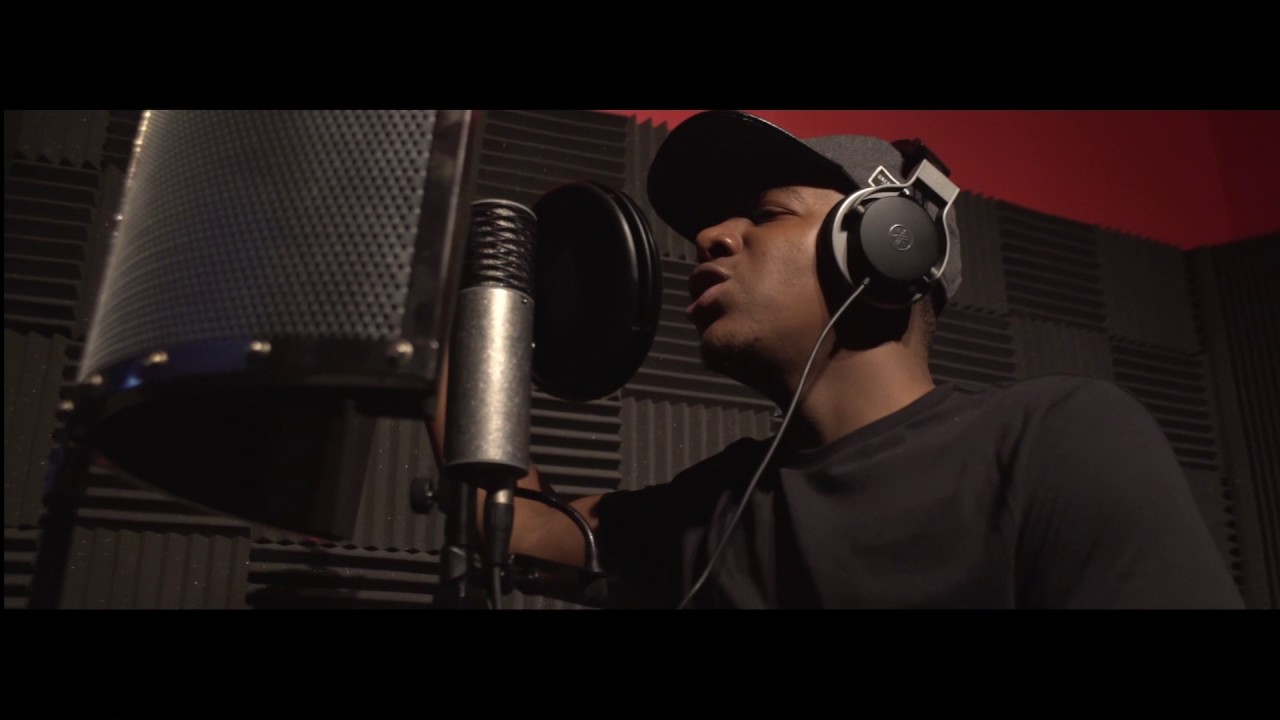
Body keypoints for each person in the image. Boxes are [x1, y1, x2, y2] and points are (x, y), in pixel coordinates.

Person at [435, 110, 1244, 609]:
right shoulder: (716, 509)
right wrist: (450, 317)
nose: (710, 239)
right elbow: (511, 524)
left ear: (889, 245)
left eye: (765, 214)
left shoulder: (1056, 443)